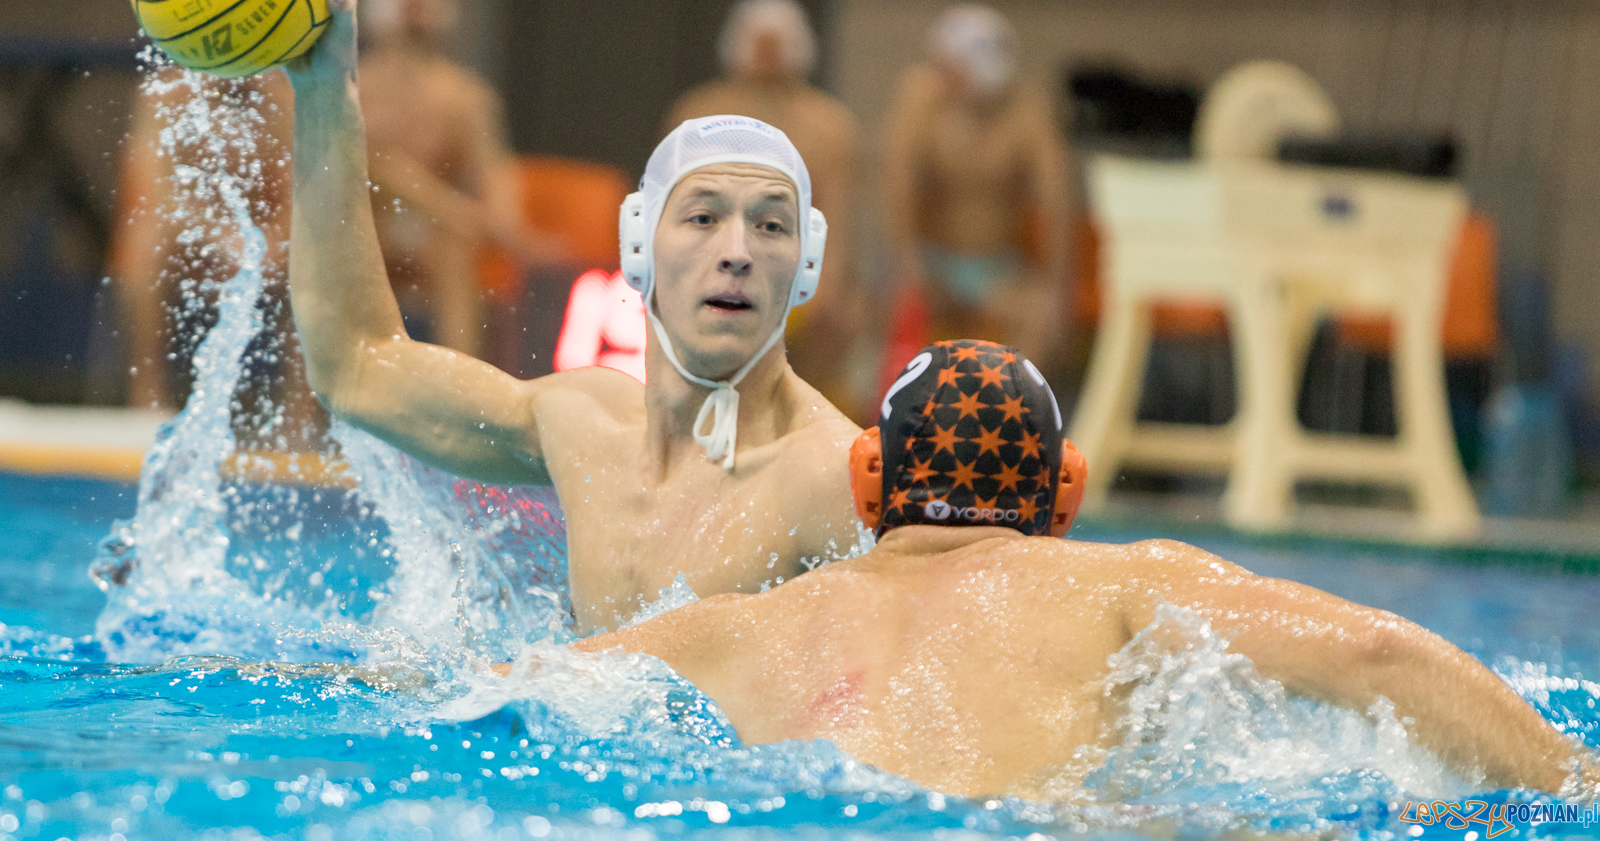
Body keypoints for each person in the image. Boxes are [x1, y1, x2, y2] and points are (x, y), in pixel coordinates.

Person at [566, 340, 1599, 801]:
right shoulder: (1120, 584)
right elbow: (1373, 651)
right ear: (1065, 493)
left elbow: (501, 697)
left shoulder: (725, 629)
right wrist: (1580, 779)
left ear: (867, 482)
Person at [284, 0, 860, 634]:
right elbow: (355, 367)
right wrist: (323, 96)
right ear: (639, 246)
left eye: (771, 225)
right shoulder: (581, 427)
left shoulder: (834, 478)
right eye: (704, 217)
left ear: (806, 265)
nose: (737, 250)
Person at [666, 0, 862, 407]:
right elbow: (672, 208)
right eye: (760, 45)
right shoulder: (698, 113)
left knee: (839, 318)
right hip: (713, 262)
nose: (767, 58)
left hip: (791, 272)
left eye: (776, 46)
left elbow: (838, 221)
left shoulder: (829, 126)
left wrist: (827, 288)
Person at [357, 0, 558, 356]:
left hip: (435, 231)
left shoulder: (464, 96)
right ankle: (302, 409)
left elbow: (495, 173)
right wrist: (448, 207)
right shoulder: (352, 88)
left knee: (452, 244)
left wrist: (505, 223)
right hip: (361, 220)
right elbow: (366, 170)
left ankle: (461, 384)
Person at [114, 69, 326, 451]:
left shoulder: (282, 97)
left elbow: (306, 189)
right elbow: (159, 194)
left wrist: (272, 239)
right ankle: (146, 395)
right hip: (191, 235)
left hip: (264, 239)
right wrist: (220, 233)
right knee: (147, 242)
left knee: (311, 249)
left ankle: (299, 414)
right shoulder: (165, 94)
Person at [883, 6, 1073, 369]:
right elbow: (898, 182)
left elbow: (1055, 202)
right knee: (893, 314)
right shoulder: (921, 97)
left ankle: (1011, 418)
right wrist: (909, 263)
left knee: (1038, 320)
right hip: (933, 258)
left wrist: (1054, 289)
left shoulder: (1026, 113)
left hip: (997, 270)